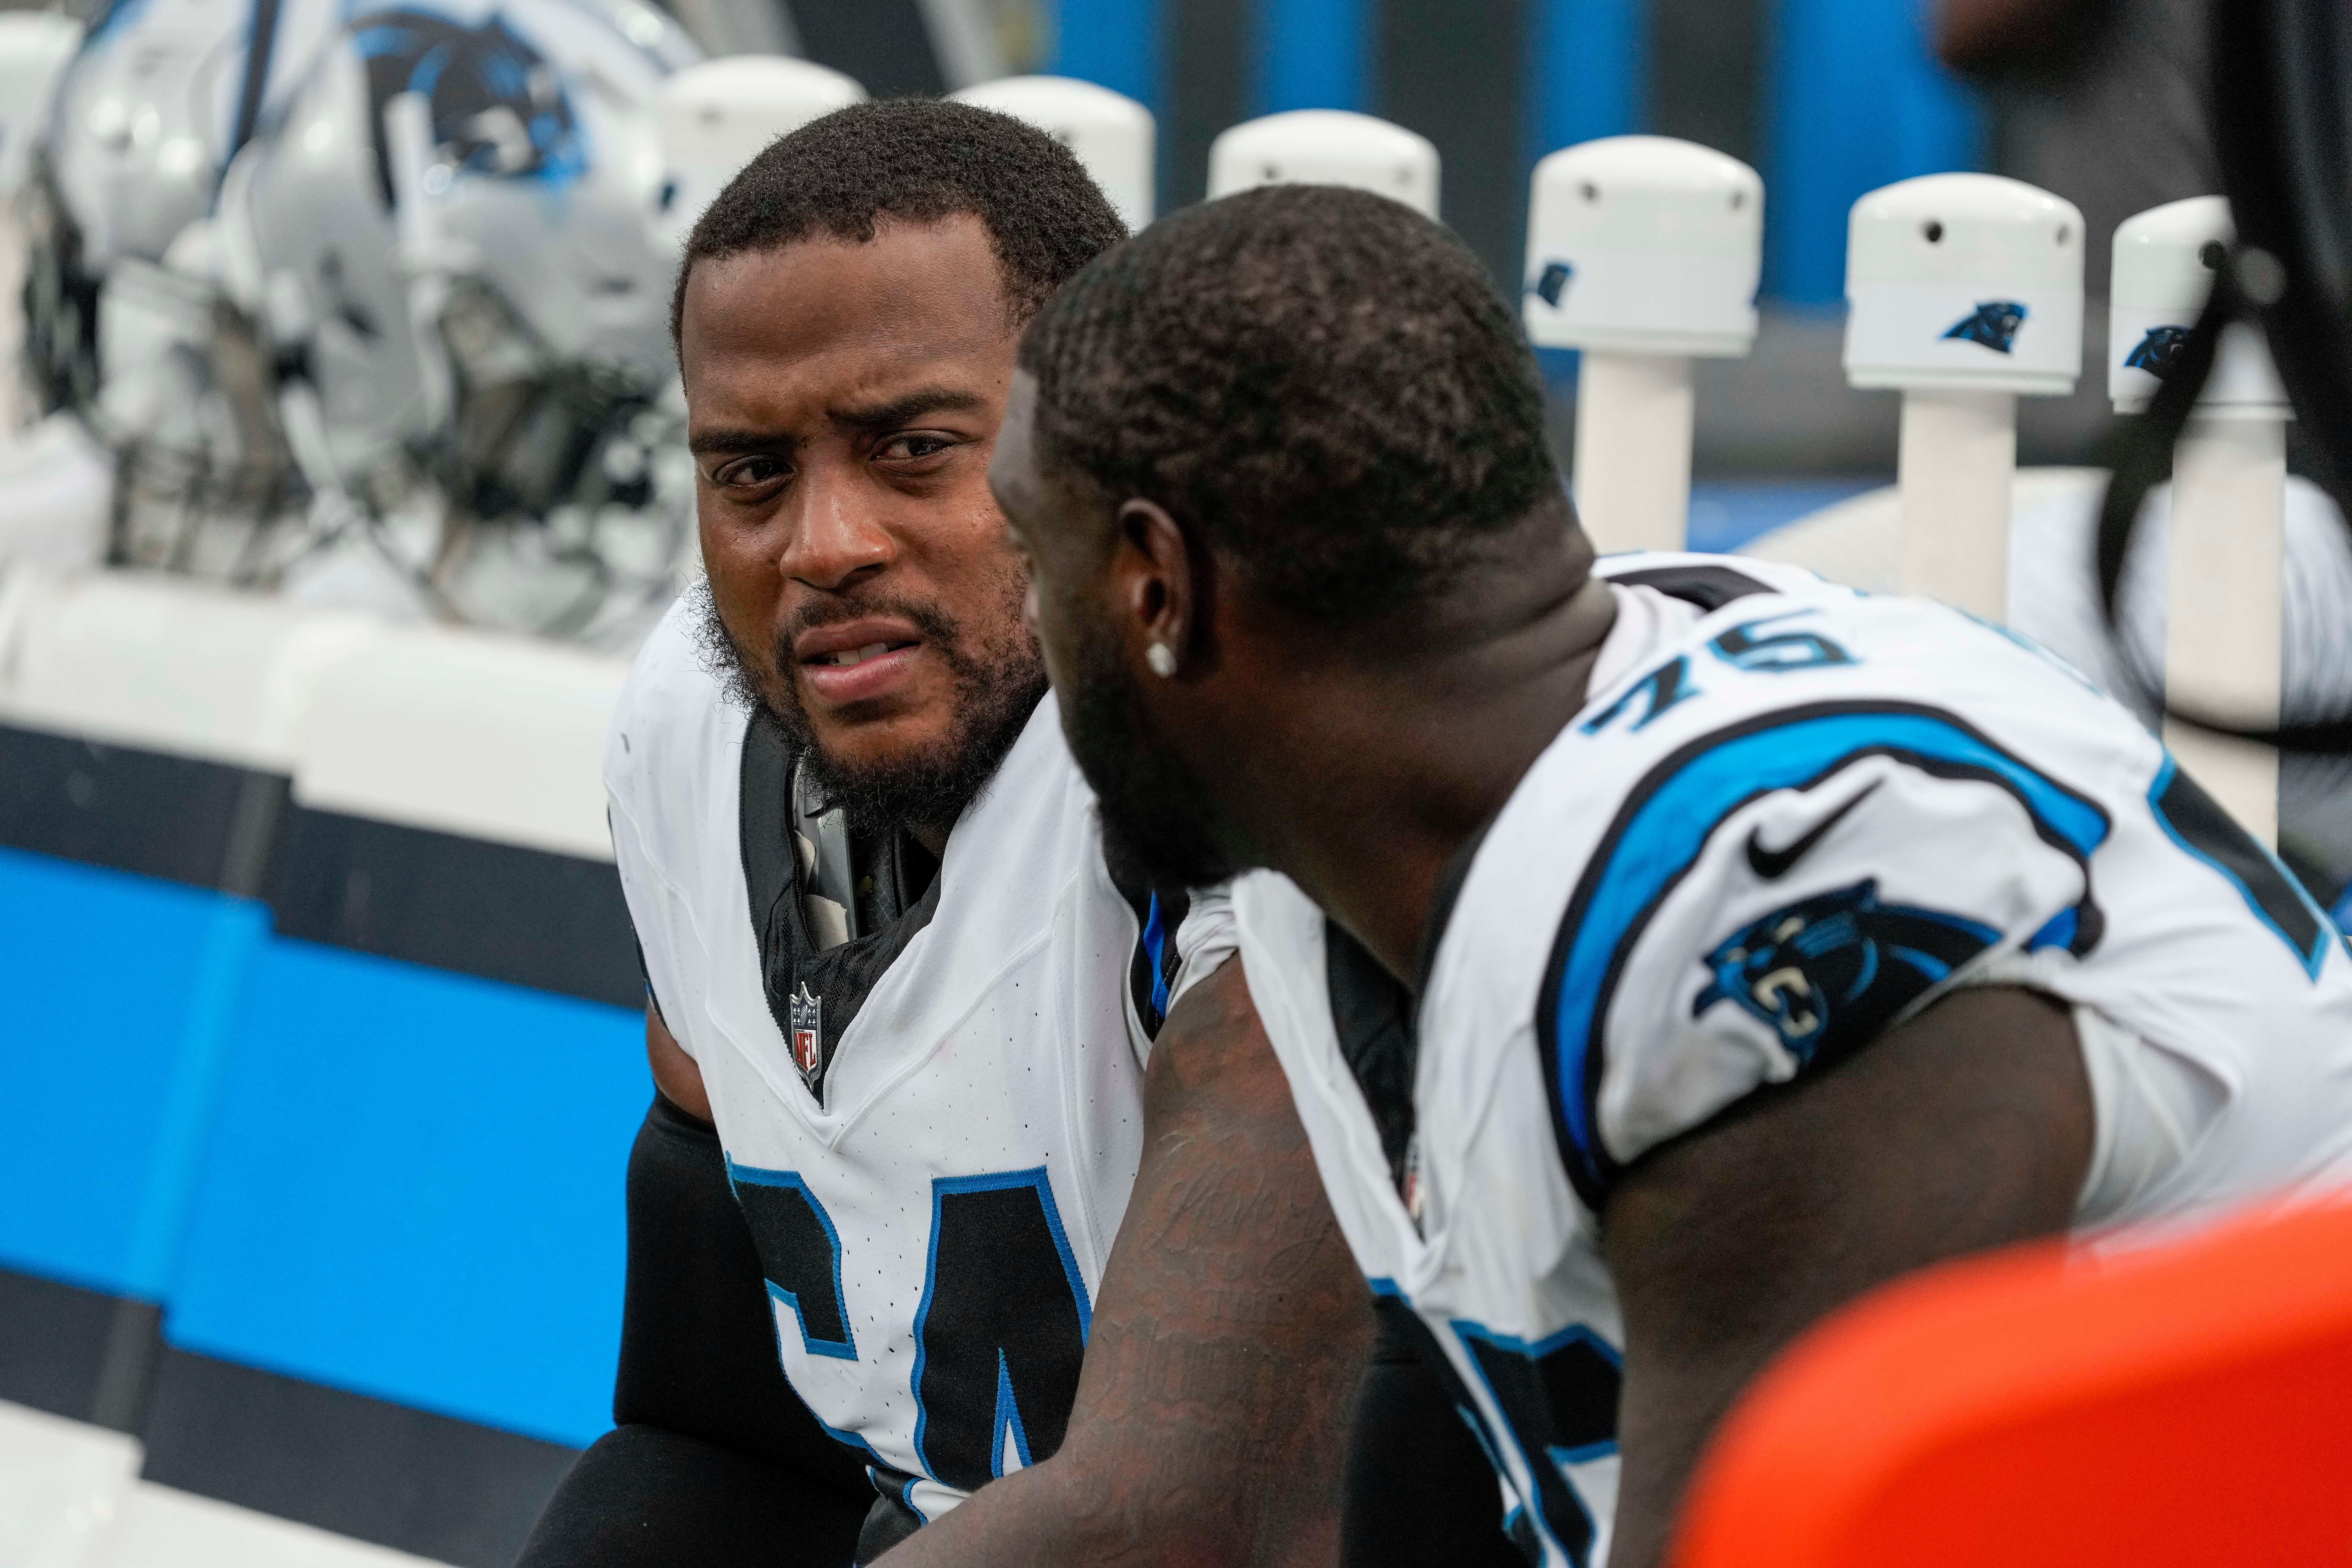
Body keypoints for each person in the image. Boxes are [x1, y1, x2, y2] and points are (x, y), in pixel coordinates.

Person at [991, 184, 2352, 1568]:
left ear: (1156, 585)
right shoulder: (1354, 847)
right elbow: (1442, 1457)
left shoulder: (1756, 884)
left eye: (1036, 559)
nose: (1031, 629)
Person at [517, 102, 1400, 1568]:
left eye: (915, 449)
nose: (823, 543)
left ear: (1115, 446)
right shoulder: (688, 723)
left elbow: (1178, 1519)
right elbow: (717, 1438)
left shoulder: (1240, 755)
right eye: (750, 472)